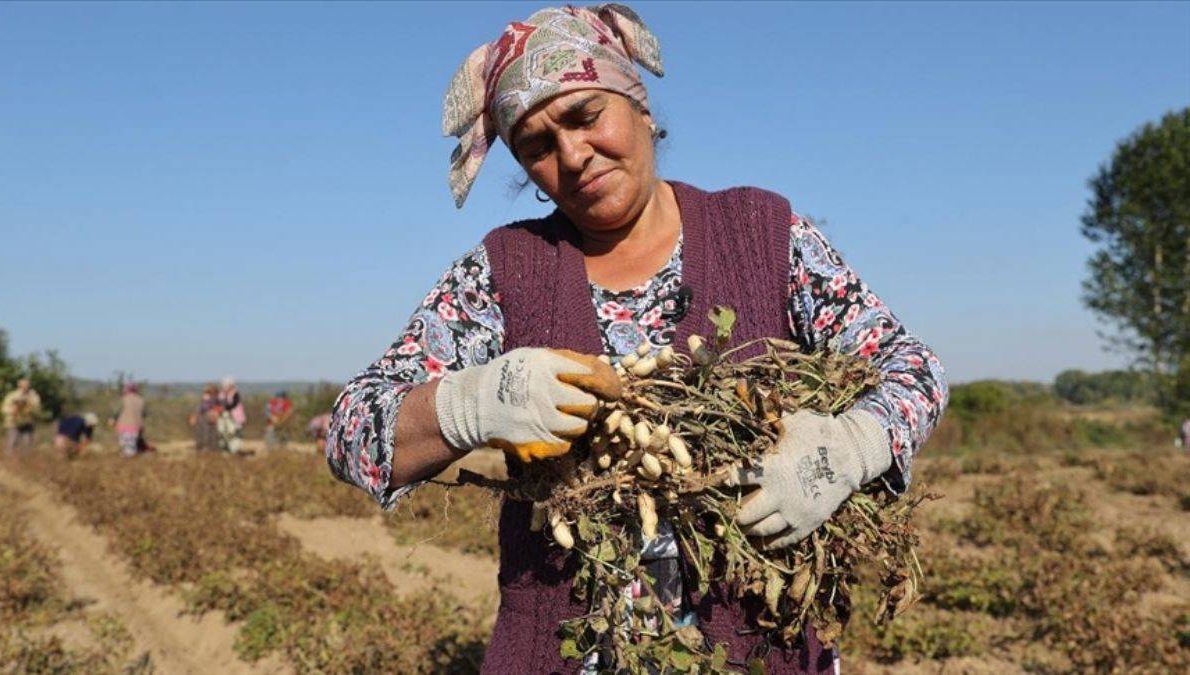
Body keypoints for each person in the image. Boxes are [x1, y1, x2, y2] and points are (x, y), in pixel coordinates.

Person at [326, 5, 948, 673]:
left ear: (640, 105)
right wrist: (470, 403)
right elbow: (351, 434)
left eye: (585, 115)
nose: (571, 155)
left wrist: (851, 446)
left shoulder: (761, 233)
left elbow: (912, 368)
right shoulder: (503, 271)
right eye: (536, 146)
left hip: (758, 650)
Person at [1, 378, 42, 455]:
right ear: (19, 385)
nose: (25, 387)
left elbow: (37, 408)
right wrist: (13, 410)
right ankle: (10, 459)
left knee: (28, 443)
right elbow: (4, 408)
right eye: (23, 385)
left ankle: (26, 459)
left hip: (28, 423)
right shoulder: (12, 395)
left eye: (26, 385)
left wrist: (29, 408)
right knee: (12, 442)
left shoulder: (34, 396)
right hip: (13, 422)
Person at [112, 382, 150, 457]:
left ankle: (129, 454)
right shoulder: (141, 400)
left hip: (123, 426)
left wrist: (113, 419)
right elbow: (144, 414)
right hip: (137, 426)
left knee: (126, 447)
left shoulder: (123, 399)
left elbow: (117, 411)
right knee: (132, 444)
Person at [217, 377, 245, 453]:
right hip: (223, 417)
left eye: (226, 385)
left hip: (235, 417)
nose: (225, 386)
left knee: (234, 432)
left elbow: (234, 404)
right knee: (223, 433)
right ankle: (225, 449)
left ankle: (234, 449)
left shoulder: (235, 393)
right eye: (224, 385)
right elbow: (219, 403)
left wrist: (225, 408)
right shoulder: (221, 394)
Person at [191, 384, 222, 451]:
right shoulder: (207, 397)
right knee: (204, 432)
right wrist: (195, 416)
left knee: (210, 432)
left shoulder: (216, 397)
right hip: (204, 416)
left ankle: (210, 447)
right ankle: (204, 446)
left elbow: (219, 406)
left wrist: (214, 411)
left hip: (211, 416)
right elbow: (201, 407)